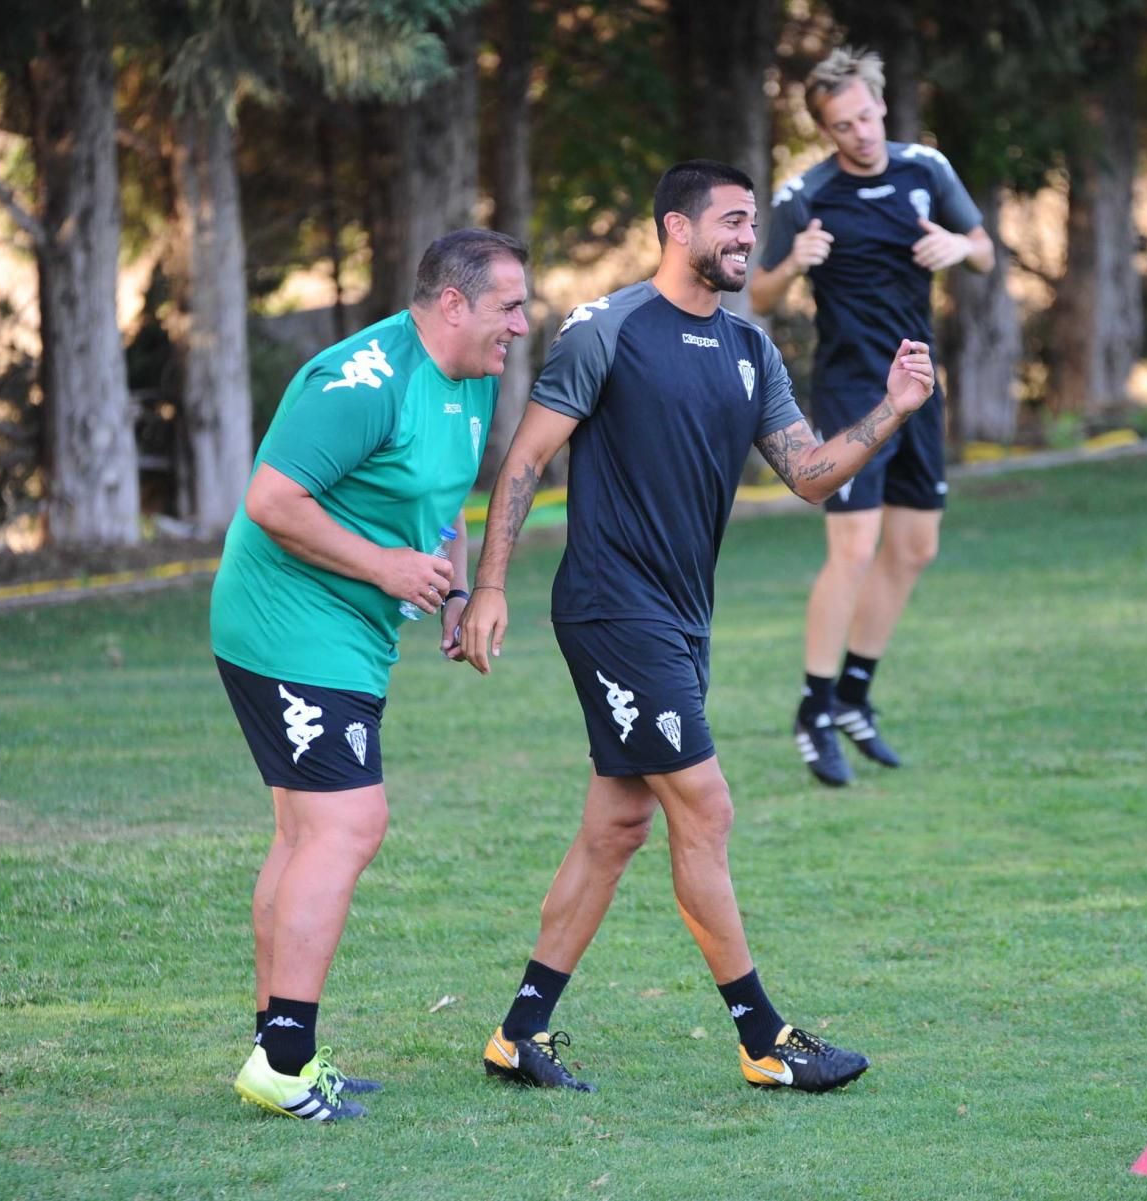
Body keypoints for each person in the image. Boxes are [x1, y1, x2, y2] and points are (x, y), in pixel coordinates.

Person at [458, 160, 935, 1093]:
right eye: (729, 221)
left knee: (618, 824)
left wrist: (894, 409)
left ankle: (519, 1034)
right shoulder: (608, 329)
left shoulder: (753, 349)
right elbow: (525, 459)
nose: (745, 237)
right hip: (609, 603)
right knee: (706, 806)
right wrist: (491, 586)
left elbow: (808, 474)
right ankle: (765, 1038)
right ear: (675, 227)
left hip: (681, 618)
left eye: (752, 222)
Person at [210, 228, 529, 1121]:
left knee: (305, 833)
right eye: (509, 305)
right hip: (286, 623)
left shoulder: (470, 379)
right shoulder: (361, 381)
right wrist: (388, 570)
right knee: (349, 824)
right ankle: (284, 1062)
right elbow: (272, 500)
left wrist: (459, 590)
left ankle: (282, 1048)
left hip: (345, 632)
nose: (522, 324)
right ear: (453, 303)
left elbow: (442, 502)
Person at [750, 47, 995, 787]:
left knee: (915, 547)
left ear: (882, 104)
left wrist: (959, 245)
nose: (859, 133)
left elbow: (983, 251)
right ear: (824, 130)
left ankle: (855, 695)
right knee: (853, 551)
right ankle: (813, 709)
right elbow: (757, 293)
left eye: (866, 116)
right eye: (842, 125)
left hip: (918, 381)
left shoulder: (927, 169)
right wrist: (795, 261)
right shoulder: (808, 192)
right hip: (855, 391)